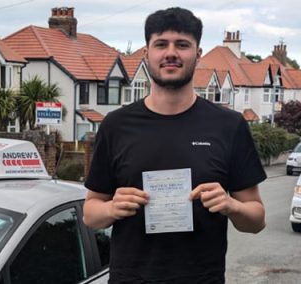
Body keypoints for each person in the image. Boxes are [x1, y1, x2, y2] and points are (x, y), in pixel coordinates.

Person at [83, 7, 267, 283]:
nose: (171, 53)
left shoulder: (229, 125)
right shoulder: (115, 125)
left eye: (182, 44)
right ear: (147, 54)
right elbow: (90, 213)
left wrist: (231, 206)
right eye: (161, 44)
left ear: (198, 54)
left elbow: (257, 220)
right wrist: (110, 210)